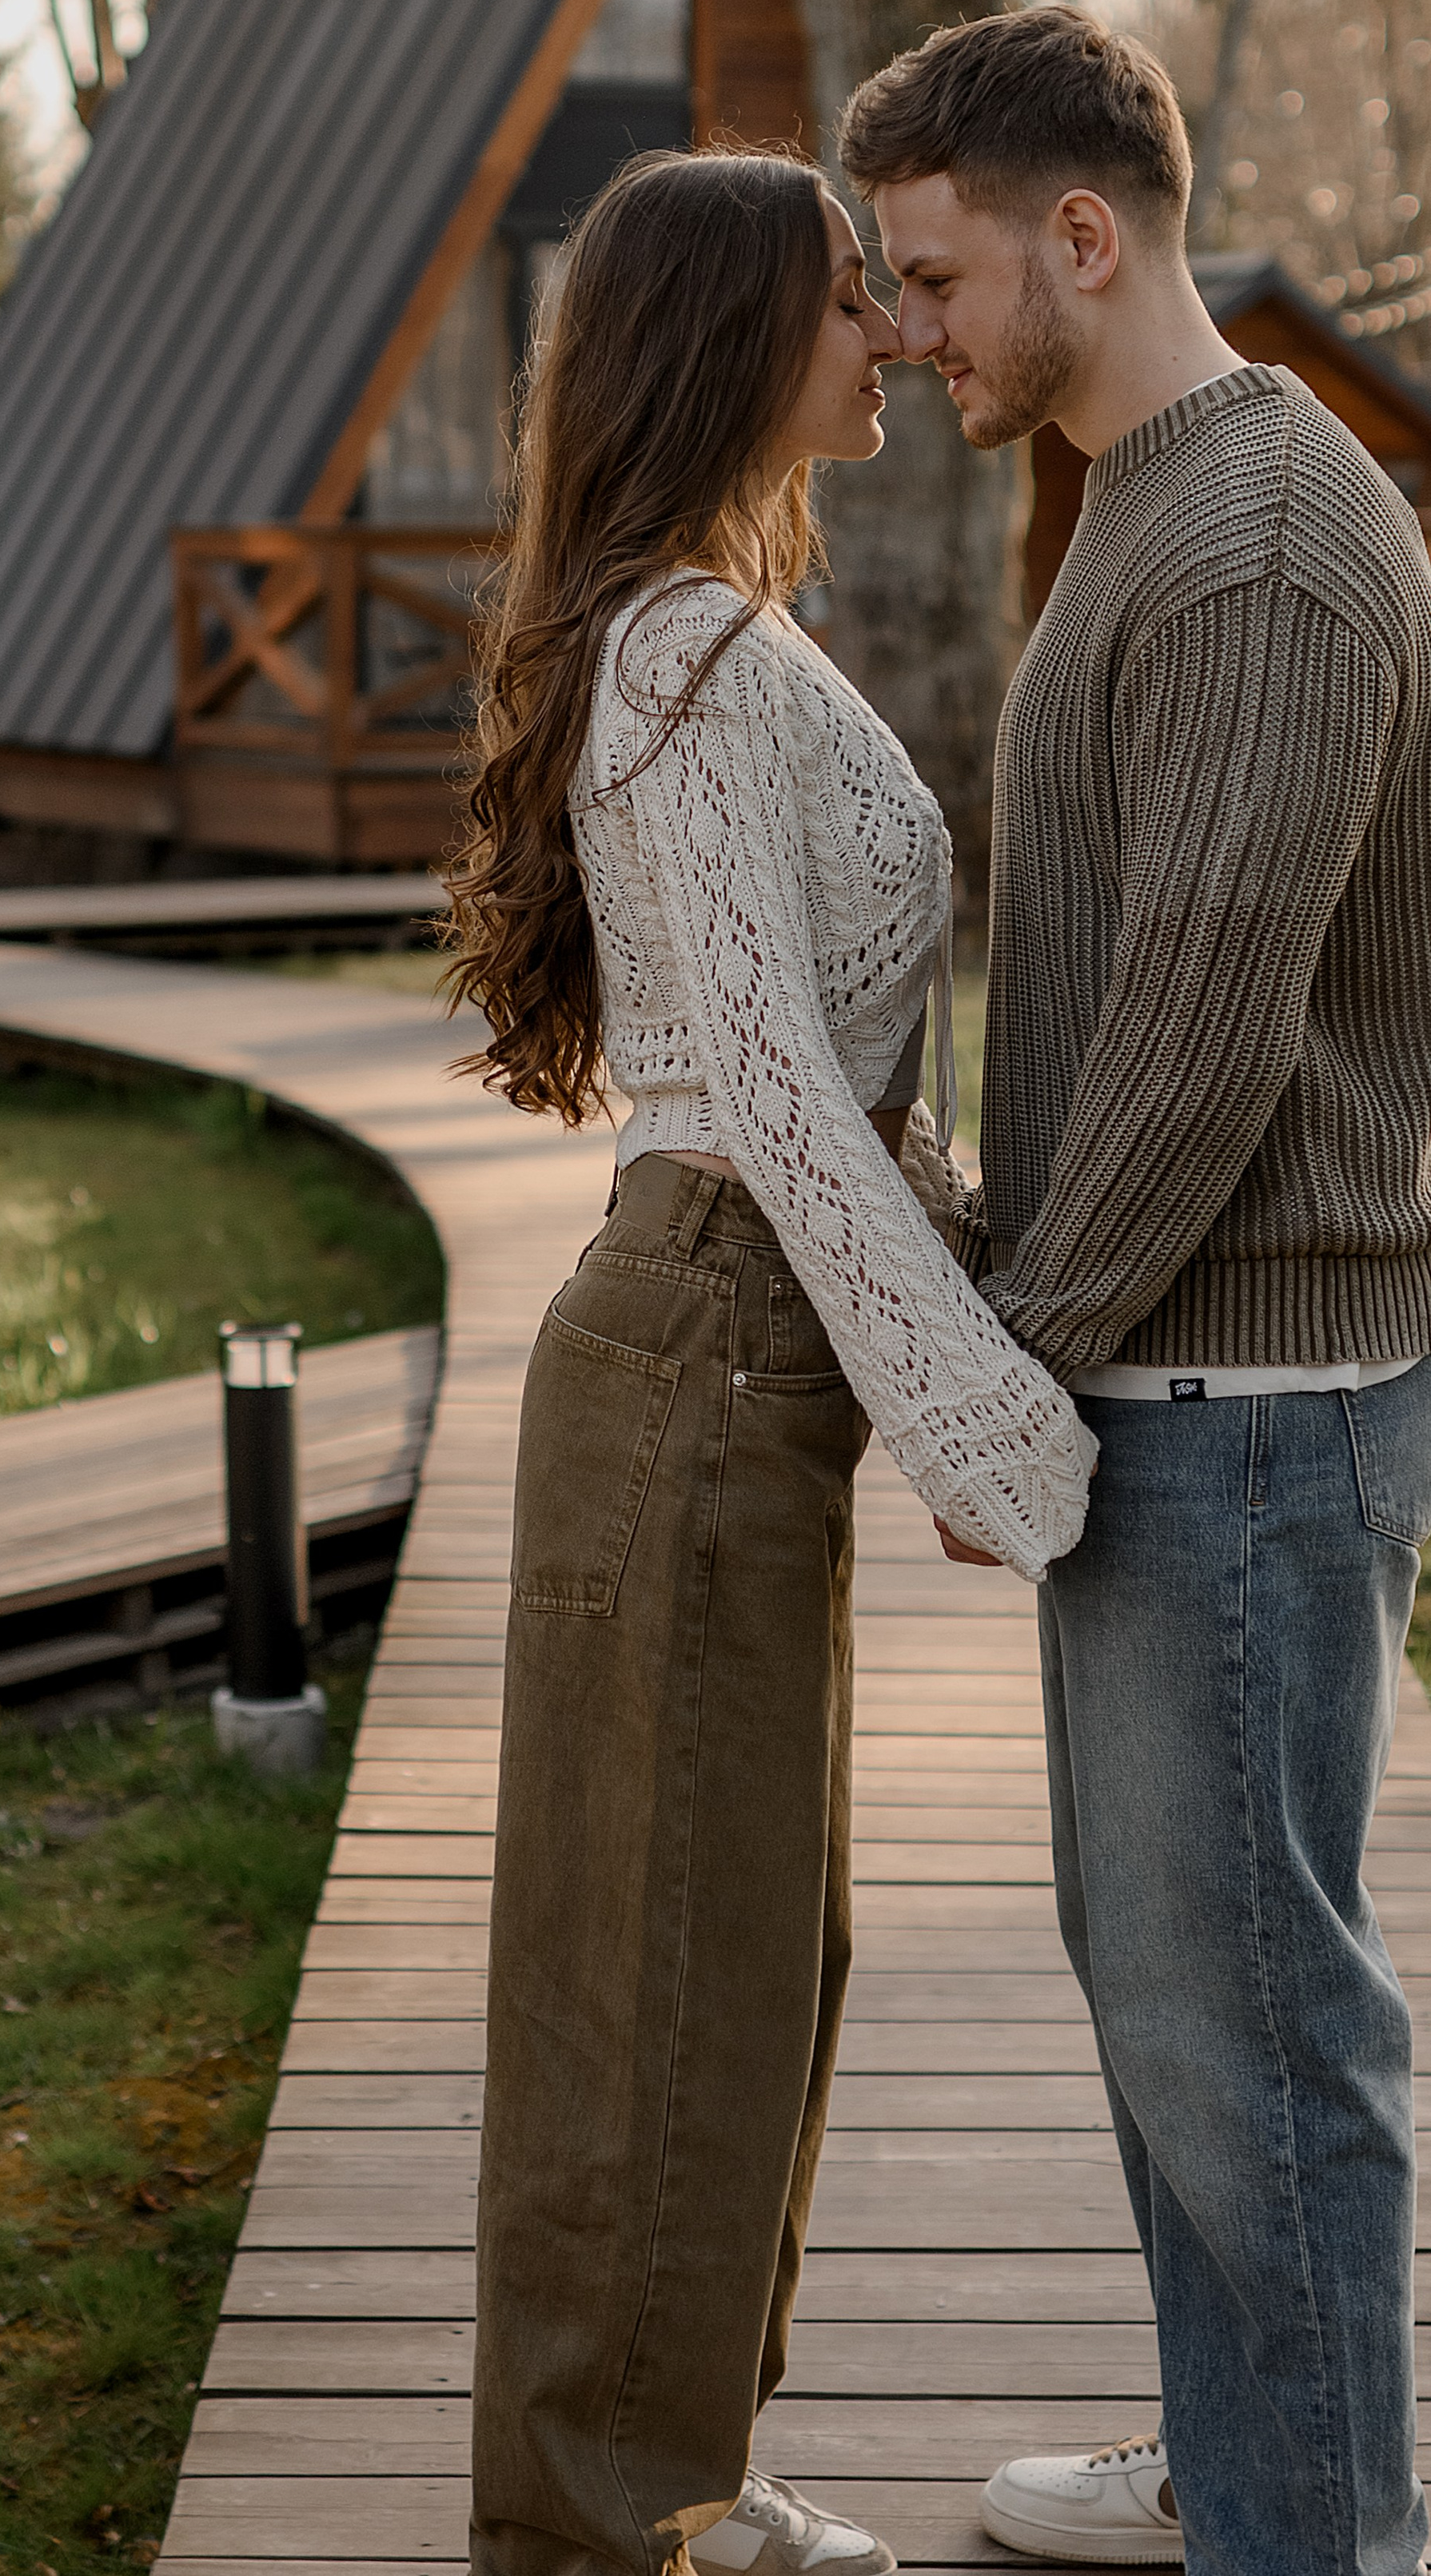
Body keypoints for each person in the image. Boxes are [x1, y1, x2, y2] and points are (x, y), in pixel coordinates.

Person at [444, 145, 1096, 2576]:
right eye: (856, 296)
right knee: (661, 1963)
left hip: (731, 1348)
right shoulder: (672, 656)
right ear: (740, 334)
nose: (897, 334)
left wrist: (958, 1330)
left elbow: (828, 1096)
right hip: (707, 1338)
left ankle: (673, 2476)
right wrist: (985, 1415)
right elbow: (789, 1106)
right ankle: (611, 2525)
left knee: (747, 1947)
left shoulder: (702, 630)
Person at [842, 4, 1431, 2576]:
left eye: (941, 274)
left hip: (1247, 1392)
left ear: (1088, 234)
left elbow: (1201, 1028)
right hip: (1180, 1389)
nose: (912, 331)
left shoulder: (1270, 538)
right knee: (1168, 1991)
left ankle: (1323, 2534)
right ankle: (1244, 2463)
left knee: (1263, 2023)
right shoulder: (1148, 501)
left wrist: (1006, 1369)